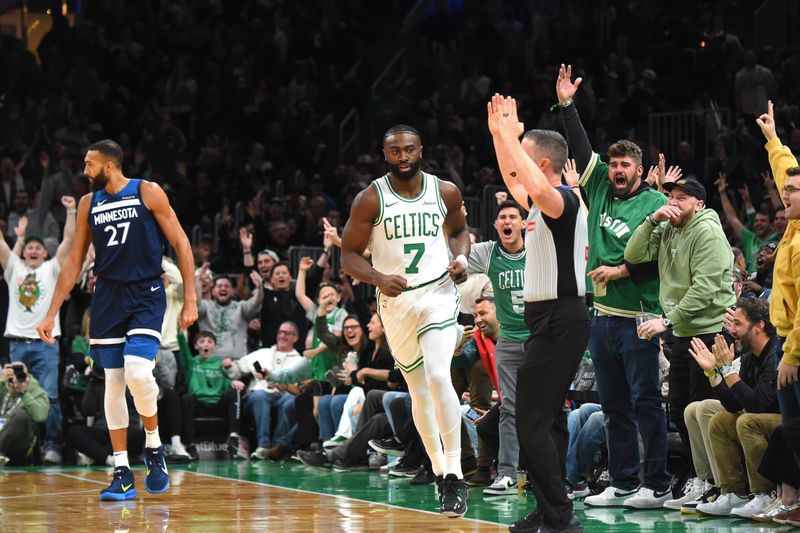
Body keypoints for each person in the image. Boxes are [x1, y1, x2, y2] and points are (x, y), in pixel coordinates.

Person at [36, 139, 198, 501]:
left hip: (145, 294)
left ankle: (154, 447)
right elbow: (74, 262)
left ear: (108, 166)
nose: (84, 171)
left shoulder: (147, 191)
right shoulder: (88, 204)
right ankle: (122, 471)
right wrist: (51, 312)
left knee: (139, 374)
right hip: (107, 297)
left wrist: (190, 298)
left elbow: (182, 244)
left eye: (89, 164)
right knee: (113, 382)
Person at [556, 64, 672, 509]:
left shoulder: (656, 202)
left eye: (626, 165)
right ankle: (624, 482)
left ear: (640, 170)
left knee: (645, 403)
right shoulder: (601, 186)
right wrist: (567, 105)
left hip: (638, 318)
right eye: (615, 164)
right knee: (614, 407)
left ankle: (657, 483)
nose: (618, 170)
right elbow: (582, 148)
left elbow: (656, 258)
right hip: (602, 319)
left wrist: (621, 272)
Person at [341, 124, 471, 517]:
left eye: (409, 150)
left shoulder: (444, 190)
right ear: (385, 155)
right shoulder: (370, 199)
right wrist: (378, 278)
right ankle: (438, 470)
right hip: (395, 302)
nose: (403, 157)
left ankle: (456, 473)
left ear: (420, 150)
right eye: (395, 151)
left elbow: (460, 231)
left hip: (437, 293)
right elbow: (348, 256)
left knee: (437, 376)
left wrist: (462, 259)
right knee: (418, 390)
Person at [489, 94, 589, 533]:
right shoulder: (537, 204)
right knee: (539, 421)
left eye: (525, 159)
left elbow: (528, 177)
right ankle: (549, 511)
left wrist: (510, 138)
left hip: (562, 318)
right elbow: (515, 175)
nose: (517, 167)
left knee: (530, 423)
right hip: (547, 322)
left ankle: (562, 520)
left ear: (543, 164)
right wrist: (500, 137)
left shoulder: (562, 201)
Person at [625, 176, 735, 476]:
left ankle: (720, 481)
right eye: (671, 197)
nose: (673, 203)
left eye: (682, 198)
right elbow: (632, 255)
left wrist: (666, 321)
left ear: (699, 204)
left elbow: (704, 290)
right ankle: (699, 478)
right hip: (684, 333)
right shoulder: (667, 228)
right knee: (680, 409)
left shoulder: (707, 232)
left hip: (710, 334)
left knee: (703, 412)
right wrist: (652, 219)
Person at [1, 196, 76, 464]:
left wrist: (70, 210)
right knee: (14, 394)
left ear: (45, 253)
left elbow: (68, 241)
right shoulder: (14, 268)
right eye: (29, 247)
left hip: (45, 344)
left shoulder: (51, 269)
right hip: (18, 344)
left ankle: (52, 446)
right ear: (23, 252)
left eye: (38, 247)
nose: (33, 250)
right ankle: (21, 447)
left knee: (50, 397)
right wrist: (16, 237)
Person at [466, 200, 527, 495]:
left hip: (540, 339)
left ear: (524, 224)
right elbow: (458, 255)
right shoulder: (488, 252)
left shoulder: (539, 249)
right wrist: (456, 221)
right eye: (502, 217)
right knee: (508, 410)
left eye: (513, 216)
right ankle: (505, 474)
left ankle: (556, 474)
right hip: (510, 339)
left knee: (548, 409)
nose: (508, 221)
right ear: (496, 226)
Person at [0, 362, 49, 466]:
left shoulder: (37, 392)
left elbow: (40, 416)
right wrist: (1, 382)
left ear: (28, 376)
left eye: (21, 374)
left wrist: (24, 393)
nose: (15, 377)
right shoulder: (3, 386)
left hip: (17, 444)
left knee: (22, 415)